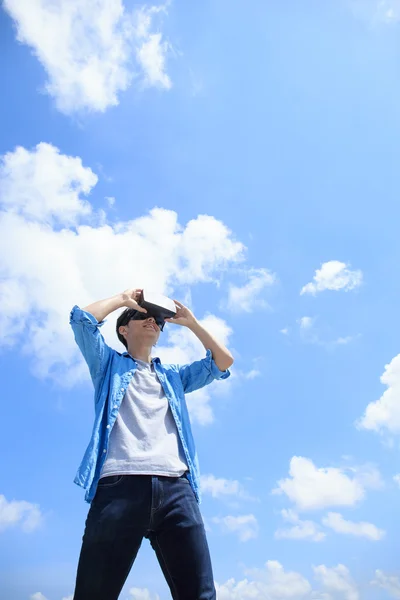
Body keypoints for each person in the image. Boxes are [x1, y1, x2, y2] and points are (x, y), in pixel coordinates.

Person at [69, 288, 234, 600]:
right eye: (142, 316)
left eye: (158, 320)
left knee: (200, 594)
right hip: (120, 487)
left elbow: (223, 362)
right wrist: (122, 300)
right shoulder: (107, 365)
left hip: (177, 491)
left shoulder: (174, 376)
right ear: (123, 329)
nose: (153, 321)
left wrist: (193, 323)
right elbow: (82, 320)